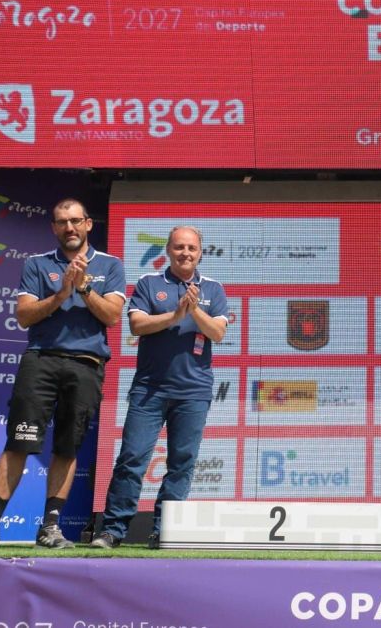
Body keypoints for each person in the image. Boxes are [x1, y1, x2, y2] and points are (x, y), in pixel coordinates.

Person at [0, 199, 125, 550]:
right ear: (54, 228)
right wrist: (62, 293)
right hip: (41, 360)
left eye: (75, 221)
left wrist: (84, 287)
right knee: (19, 442)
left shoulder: (110, 264)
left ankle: (50, 528)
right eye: (62, 222)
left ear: (88, 224)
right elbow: (24, 316)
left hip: (86, 364)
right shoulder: (37, 264)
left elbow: (112, 316)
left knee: (66, 447)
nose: (69, 228)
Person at [90, 226, 228, 549]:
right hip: (149, 390)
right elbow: (137, 325)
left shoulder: (213, 288)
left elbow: (218, 333)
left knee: (182, 463)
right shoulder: (149, 283)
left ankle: (165, 531)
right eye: (179, 247)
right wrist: (176, 314)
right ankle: (112, 530)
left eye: (191, 248)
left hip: (193, 392)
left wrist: (194, 310)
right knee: (132, 458)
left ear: (200, 253)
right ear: (168, 250)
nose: (185, 253)